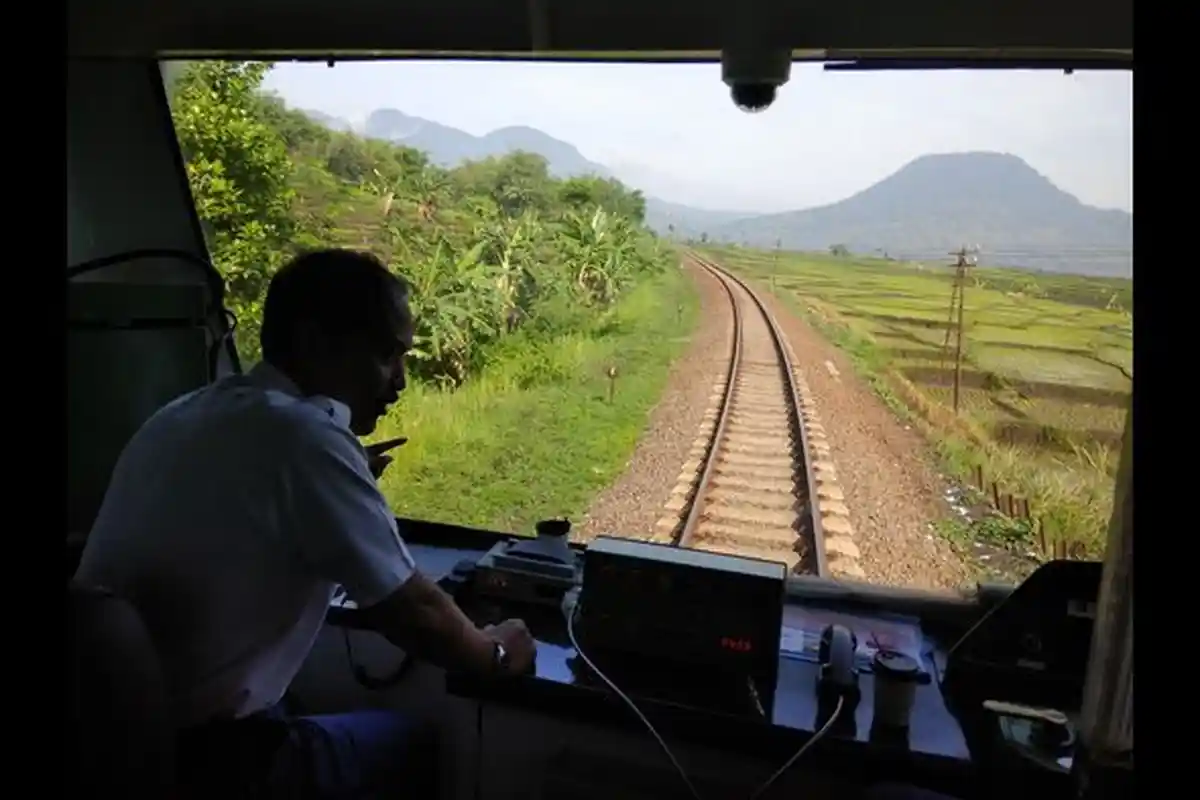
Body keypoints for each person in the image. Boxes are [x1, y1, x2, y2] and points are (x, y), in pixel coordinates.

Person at [74, 248, 537, 798]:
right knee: (414, 742)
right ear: (317, 342)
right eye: (388, 355)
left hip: (104, 741)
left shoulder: (185, 413)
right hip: (209, 760)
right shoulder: (305, 440)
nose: (401, 381)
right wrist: (497, 653)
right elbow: (414, 613)